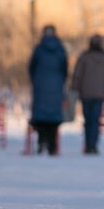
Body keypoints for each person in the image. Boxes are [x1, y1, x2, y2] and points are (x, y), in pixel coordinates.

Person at [28, 24, 68, 156]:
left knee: (41, 116)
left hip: (40, 84)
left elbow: (32, 67)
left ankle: (41, 142)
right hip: (56, 85)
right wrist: (60, 81)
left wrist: (36, 80)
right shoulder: (60, 49)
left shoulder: (39, 49)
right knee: (54, 117)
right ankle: (52, 146)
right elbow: (64, 68)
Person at [71, 34, 104, 155]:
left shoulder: (84, 57)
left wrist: (74, 88)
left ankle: (88, 144)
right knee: (95, 120)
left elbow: (77, 74)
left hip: (86, 93)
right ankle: (93, 145)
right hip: (99, 93)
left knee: (88, 120)